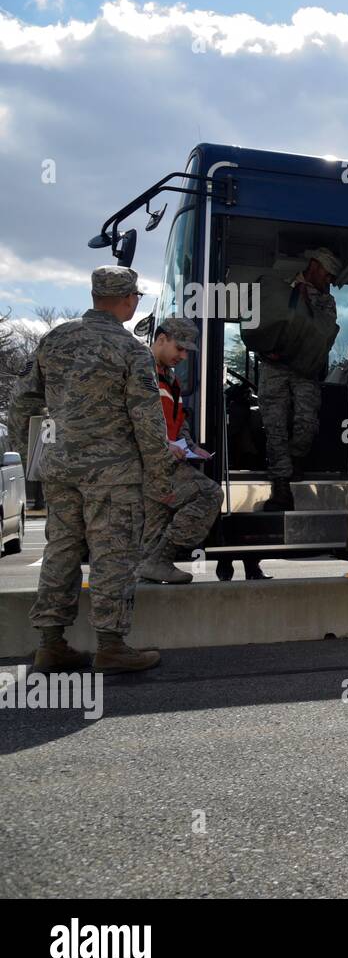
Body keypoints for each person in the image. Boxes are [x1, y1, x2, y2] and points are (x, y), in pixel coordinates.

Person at [7, 266, 174, 674]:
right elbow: (147, 421)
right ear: (126, 298)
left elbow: (21, 402)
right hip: (114, 473)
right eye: (135, 295)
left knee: (61, 552)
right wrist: (159, 476)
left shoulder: (55, 339)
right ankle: (111, 646)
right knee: (112, 555)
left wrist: (31, 454)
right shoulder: (130, 349)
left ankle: (50, 645)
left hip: (60, 470)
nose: (136, 301)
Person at [137, 317, 223, 584]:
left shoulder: (168, 376)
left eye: (187, 350)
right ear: (161, 339)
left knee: (154, 527)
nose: (183, 356)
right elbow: (136, 419)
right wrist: (165, 445)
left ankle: (147, 571)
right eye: (180, 348)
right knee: (209, 495)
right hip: (151, 462)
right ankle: (158, 560)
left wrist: (190, 444)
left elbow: (176, 417)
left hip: (163, 459)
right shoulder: (142, 371)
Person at [259, 247, 340, 511]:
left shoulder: (326, 301)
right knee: (275, 426)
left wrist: (306, 303)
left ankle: (294, 461)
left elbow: (324, 331)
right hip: (274, 366)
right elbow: (262, 323)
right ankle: (280, 485)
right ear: (315, 266)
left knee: (306, 422)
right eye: (328, 275)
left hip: (306, 368)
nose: (329, 282)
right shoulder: (281, 289)